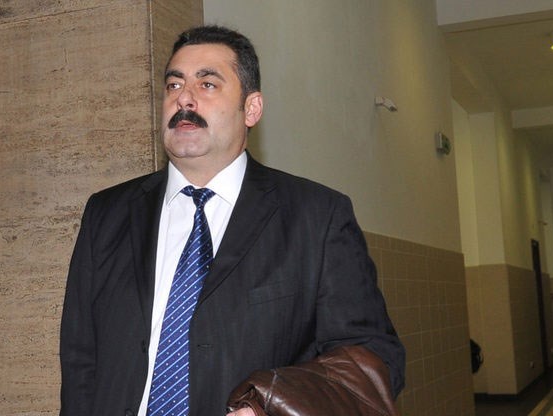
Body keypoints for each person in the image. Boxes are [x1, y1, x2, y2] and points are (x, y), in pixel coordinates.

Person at [59, 25, 405, 416]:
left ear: (251, 109)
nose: (183, 98)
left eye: (207, 84)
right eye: (174, 85)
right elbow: (79, 357)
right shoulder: (107, 213)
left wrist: (269, 408)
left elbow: (374, 358)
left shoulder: (317, 218)